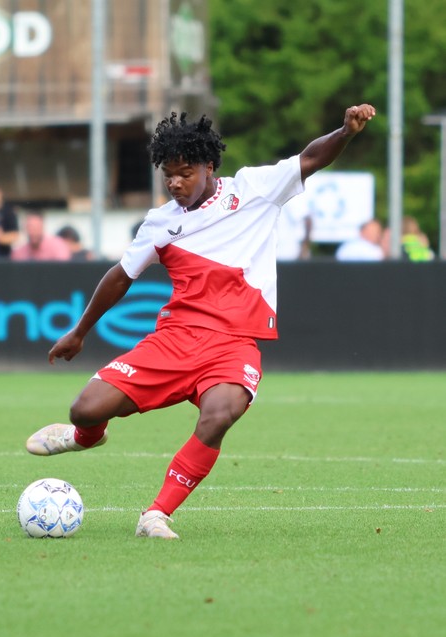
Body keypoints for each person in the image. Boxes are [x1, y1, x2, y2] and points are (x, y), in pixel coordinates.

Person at [24, 104, 376, 539]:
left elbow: (311, 158)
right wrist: (79, 332)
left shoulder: (254, 189)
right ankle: (85, 437)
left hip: (234, 344)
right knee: (85, 409)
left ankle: (156, 514)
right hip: (175, 340)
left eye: (185, 172)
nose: (175, 182)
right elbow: (120, 277)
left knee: (220, 414)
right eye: (168, 173)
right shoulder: (159, 223)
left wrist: (344, 131)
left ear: (210, 166)